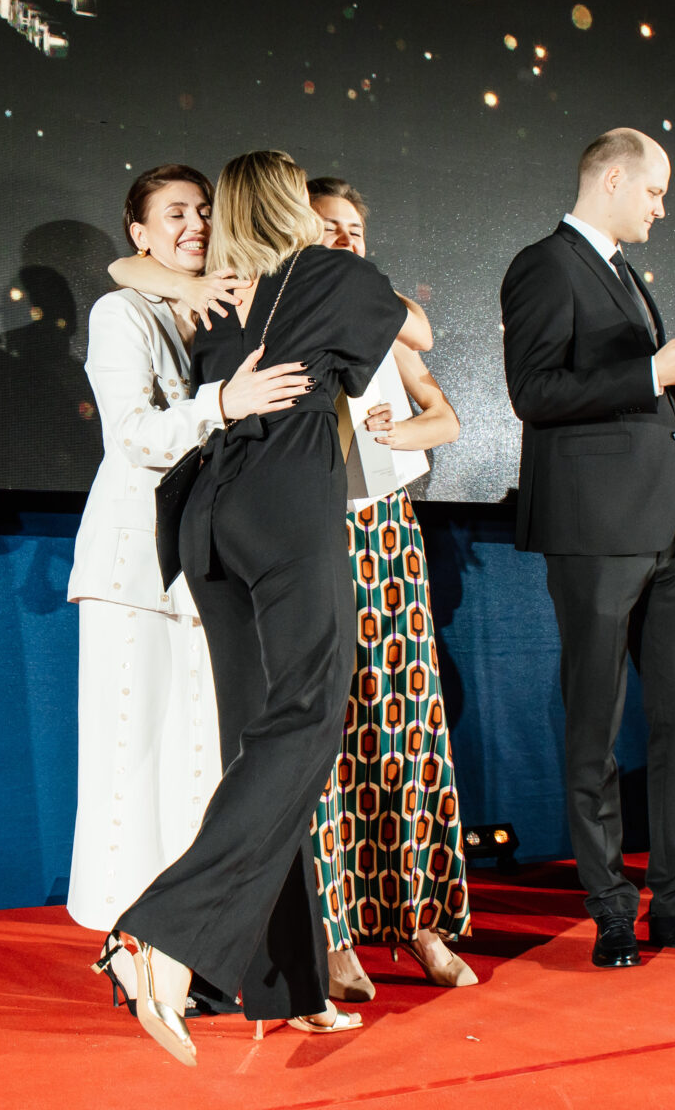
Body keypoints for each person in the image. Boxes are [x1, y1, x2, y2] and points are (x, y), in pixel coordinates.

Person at [112, 150, 428, 1067]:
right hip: (284, 508)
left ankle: (288, 982)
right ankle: (161, 931)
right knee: (308, 720)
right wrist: (345, 257)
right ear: (294, 206)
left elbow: (133, 270)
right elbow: (418, 329)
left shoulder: (212, 295)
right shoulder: (329, 272)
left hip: (206, 523)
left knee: (263, 747)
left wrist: (186, 277)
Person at [499, 127, 675, 969]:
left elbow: (626, 403)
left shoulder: (622, 272)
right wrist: (653, 373)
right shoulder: (544, 265)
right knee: (595, 727)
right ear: (612, 180)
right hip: (594, 530)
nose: (661, 207)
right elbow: (534, 392)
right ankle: (612, 907)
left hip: (668, 528)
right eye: (654, 191)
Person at [66, 165, 307, 1005]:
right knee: (128, 763)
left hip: (200, 573)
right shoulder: (121, 312)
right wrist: (223, 403)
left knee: (197, 767)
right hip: (133, 569)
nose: (195, 223)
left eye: (204, 209)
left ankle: (183, 950)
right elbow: (133, 435)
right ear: (139, 233)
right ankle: (123, 943)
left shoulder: (213, 306)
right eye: (174, 213)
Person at [304, 176, 476, 1000]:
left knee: (403, 723)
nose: (345, 238)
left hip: (386, 534)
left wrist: (402, 430)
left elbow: (444, 415)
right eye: (327, 227)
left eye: (355, 228)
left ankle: (420, 920)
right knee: (325, 734)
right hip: (310, 531)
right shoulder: (283, 310)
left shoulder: (383, 315)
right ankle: (333, 936)